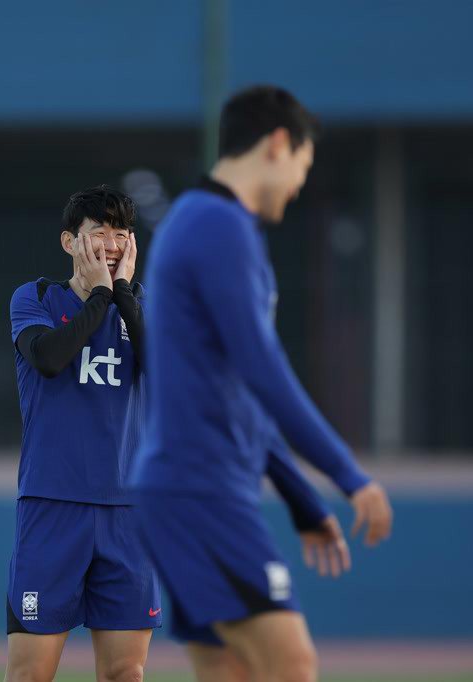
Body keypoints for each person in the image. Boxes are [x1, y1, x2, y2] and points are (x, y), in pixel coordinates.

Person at [4, 185, 348, 682]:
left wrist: (120, 295)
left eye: (120, 234)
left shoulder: (144, 307)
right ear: (68, 242)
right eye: (97, 233)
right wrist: (100, 295)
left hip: (129, 514)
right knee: (29, 675)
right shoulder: (34, 297)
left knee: (126, 672)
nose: (111, 244)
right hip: (52, 506)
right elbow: (49, 359)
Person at [131, 85, 393, 682]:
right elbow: (262, 367)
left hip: (183, 490)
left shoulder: (199, 223)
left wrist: (302, 500)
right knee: (292, 665)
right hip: (202, 493)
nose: (301, 182)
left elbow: (240, 391)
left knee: (231, 672)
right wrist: (348, 474)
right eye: (304, 163)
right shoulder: (218, 225)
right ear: (278, 145)